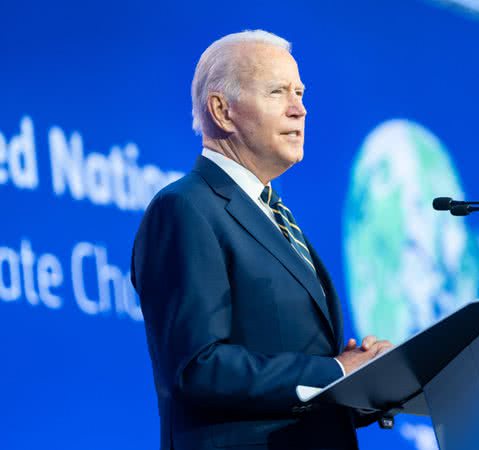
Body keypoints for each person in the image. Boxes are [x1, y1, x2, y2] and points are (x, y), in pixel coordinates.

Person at [131, 30, 391, 450]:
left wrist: (364, 378)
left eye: (301, 93)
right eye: (277, 92)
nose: (299, 109)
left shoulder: (273, 214)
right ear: (222, 110)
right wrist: (334, 372)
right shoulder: (186, 208)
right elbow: (198, 368)